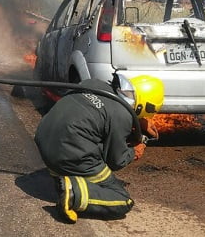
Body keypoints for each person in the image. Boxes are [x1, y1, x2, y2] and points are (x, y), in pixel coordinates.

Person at [34, 75, 164, 223]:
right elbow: (116, 161)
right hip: (66, 156)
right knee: (122, 200)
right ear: (145, 105)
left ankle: (70, 177)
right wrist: (136, 150)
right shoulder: (121, 115)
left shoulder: (94, 83)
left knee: (96, 138)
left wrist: (137, 120)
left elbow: (100, 113)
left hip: (44, 140)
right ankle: (74, 194)